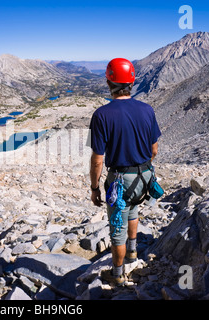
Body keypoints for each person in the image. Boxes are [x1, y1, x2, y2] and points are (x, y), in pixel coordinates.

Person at [88, 58, 161, 286]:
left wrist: (94, 188)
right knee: (134, 209)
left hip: (120, 180)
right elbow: (154, 149)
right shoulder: (147, 110)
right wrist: (140, 166)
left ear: (109, 81)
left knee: (117, 225)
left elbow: (97, 159)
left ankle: (117, 276)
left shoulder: (101, 115)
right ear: (132, 81)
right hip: (144, 177)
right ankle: (132, 253)